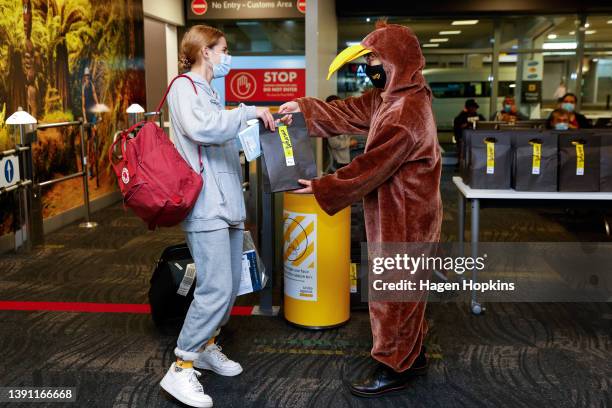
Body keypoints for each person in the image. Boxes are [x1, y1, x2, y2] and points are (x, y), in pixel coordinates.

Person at [279, 20, 442, 397]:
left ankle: (393, 365)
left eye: (375, 59)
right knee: (407, 288)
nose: (369, 66)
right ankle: (412, 355)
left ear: (396, 61)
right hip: (400, 208)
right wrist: (304, 110)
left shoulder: (406, 111)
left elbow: (369, 168)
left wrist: (322, 187)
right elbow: (349, 112)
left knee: (393, 291)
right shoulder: (393, 96)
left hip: (405, 214)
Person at [161, 25, 287, 408]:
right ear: (205, 51)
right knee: (214, 288)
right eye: (223, 49)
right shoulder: (183, 87)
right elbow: (202, 129)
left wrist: (257, 126)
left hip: (228, 203)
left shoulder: (211, 92)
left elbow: (223, 136)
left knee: (231, 286)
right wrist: (247, 111)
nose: (227, 56)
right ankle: (181, 366)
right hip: (204, 207)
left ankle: (207, 346)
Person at [325, 95, 357, 171]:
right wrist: (349, 143)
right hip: (342, 158)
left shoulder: (338, 118)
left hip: (347, 151)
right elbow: (334, 143)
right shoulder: (330, 123)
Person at [453, 99, 485, 166]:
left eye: (475, 107)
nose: (474, 109)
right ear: (468, 107)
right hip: (464, 139)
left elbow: (484, 125)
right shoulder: (461, 117)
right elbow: (458, 128)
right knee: (462, 145)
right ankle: (461, 163)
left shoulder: (479, 117)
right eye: (472, 107)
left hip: (476, 139)